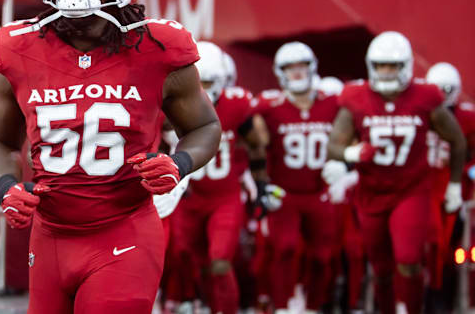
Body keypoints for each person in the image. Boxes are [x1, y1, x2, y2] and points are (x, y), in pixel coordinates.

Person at [0, 0, 222, 314]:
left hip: (123, 227)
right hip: (50, 235)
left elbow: (205, 127)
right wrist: (6, 185)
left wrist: (178, 164)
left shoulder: (158, 46)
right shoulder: (17, 47)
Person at [327, 31, 466, 314]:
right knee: (380, 268)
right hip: (371, 191)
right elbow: (334, 146)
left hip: (411, 189)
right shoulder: (356, 97)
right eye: (380, 66)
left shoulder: (425, 96)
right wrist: (352, 153)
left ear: (406, 67)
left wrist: (454, 185)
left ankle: (413, 309)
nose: (386, 72)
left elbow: (457, 140)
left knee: (409, 258)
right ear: (370, 66)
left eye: (392, 66)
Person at [166, 41, 261, 314]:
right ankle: (209, 305)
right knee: (195, 261)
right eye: (198, 82)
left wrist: (260, 183)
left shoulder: (236, 104)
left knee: (220, 261)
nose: (203, 90)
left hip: (224, 197)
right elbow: (155, 143)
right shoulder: (170, 105)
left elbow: (255, 144)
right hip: (188, 197)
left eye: (208, 82)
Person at [251, 42, 340, 314]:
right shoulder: (268, 105)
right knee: (284, 249)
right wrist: (261, 183)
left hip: (320, 190)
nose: (297, 74)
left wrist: (345, 169)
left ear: (312, 68)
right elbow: (249, 136)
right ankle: (281, 306)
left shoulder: (334, 101)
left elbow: (353, 132)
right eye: (290, 68)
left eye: (301, 67)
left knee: (323, 257)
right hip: (283, 191)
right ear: (281, 73)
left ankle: (312, 306)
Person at [423, 62, 475, 311]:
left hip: (453, 197)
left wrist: (468, 173)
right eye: (437, 89)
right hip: (421, 192)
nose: (442, 95)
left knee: (449, 254)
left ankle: (443, 301)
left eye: (446, 89)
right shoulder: (418, 112)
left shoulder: (467, 118)